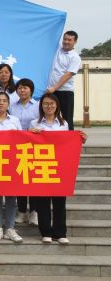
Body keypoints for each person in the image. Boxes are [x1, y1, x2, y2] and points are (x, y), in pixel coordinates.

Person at [29, 93, 87, 244]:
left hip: (59, 166)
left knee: (59, 201)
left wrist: (80, 138)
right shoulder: (34, 123)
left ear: (56, 106)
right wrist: (31, 134)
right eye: (46, 104)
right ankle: (45, 232)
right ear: (41, 106)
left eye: (52, 104)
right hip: (41, 165)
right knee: (42, 201)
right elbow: (27, 144)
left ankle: (60, 232)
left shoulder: (63, 124)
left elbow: (67, 143)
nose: (49, 106)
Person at [0, 92, 24, 243]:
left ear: (8, 104)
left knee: (11, 197)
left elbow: (22, 140)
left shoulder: (15, 120)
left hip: (12, 162)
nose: (1, 103)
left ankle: (10, 228)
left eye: (4, 101)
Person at [10, 78, 40, 226]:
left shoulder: (38, 106)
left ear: (31, 90)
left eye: (25, 88)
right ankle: (21, 211)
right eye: (20, 88)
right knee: (20, 179)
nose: (22, 90)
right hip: (16, 147)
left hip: (34, 146)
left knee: (33, 181)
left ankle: (34, 211)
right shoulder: (12, 107)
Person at [46, 31, 81, 130]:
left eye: (69, 40)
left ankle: (69, 138)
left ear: (75, 42)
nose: (66, 42)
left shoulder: (75, 57)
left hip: (65, 91)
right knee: (49, 115)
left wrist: (54, 88)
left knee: (67, 118)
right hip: (50, 90)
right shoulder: (57, 49)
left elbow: (68, 75)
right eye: (65, 39)